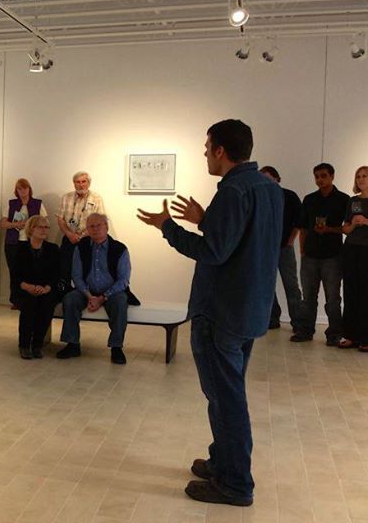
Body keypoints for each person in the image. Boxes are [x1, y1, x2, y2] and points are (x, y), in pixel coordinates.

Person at [138, 119, 283, 507]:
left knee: (225, 398)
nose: (204, 153)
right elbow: (246, 240)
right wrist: (206, 220)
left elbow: (213, 252)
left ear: (221, 150)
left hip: (222, 311)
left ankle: (235, 483)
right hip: (249, 308)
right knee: (227, 392)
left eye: (207, 147)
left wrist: (168, 227)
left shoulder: (233, 191)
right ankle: (223, 461)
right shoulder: (269, 188)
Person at [57, 213, 132, 365]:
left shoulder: (120, 249)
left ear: (106, 227)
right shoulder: (81, 247)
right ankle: (72, 344)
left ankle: (116, 347)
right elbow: (76, 275)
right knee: (70, 299)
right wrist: (89, 296)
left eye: (99, 225)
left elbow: (123, 280)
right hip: (86, 291)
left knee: (120, 302)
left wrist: (103, 297)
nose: (95, 229)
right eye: (91, 226)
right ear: (87, 229)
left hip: (112, 293)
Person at [290, 163, 350, 346]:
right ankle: (305, 330)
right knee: (308, 297)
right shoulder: (309, 199)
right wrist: (302, 251)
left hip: (333, 256)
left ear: (332, 176)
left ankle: (334, 334)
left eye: (323, 176)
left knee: (333, 298)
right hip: (310, 255)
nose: (319, 180)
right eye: (317, 176)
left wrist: (330, 229)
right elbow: (303, 227)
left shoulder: (343, 199)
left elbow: (347, 228)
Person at [260, 166, 303, 331]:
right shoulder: (260, 198)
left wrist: (291, 240)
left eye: (268, 178)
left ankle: (298, 322)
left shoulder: (289, 196)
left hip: (284, 247)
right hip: (265, 248)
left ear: (277, 179)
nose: (265, 182)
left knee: (291, 285)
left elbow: (300, 220)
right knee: (267, 285)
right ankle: (272, 318)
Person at [14, 215, 59, 359]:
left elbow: (56, 274)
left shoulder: (53, 249)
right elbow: (15, 275)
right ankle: (24, 345)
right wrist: (27, 286)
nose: (44, 230)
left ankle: (37, 345)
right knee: (29, 305)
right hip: (25, 288)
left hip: (46, 289)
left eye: (46, 227)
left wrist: (46, 288)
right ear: (31, 229)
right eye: (40, 227)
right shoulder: (20, 248)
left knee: (47, 305)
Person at [1, 178, 48, 310]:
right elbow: (3, 223)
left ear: (29, 189)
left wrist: (31, 225)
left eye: (25, 188)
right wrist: (16, 224)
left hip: (32, 243)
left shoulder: (37, 204)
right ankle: (16, 300)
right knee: (14, 272)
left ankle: (31, 299)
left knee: (31, 271)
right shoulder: (11, 204)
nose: (22, 191)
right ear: (16, 191)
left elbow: (45, 222)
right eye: (19, 189)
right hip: (13, 243)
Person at [56, 171, 105, 290]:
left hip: (88, 239)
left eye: (84, 181)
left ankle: (86, 294)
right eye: (78, 182)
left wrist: (82, 236)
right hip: (69, 238)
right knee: (64, 268)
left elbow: (100, 220)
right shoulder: (66, 197)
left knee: (85, 269)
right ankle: (66, 294)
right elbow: (60, 219)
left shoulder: (96, 198)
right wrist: (69, 234)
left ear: (89, 183)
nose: (81, 185)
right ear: (74, 183)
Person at [339, 166, 368, 352]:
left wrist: (366, 221)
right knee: (350, 291)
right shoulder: (353, 201)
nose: (361, 179)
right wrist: (353, 225)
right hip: (351, 249)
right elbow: (345, 228)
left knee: (366, 292)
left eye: (365, 176)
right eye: (358, 176)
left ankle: (365, 338)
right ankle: (351, 335)